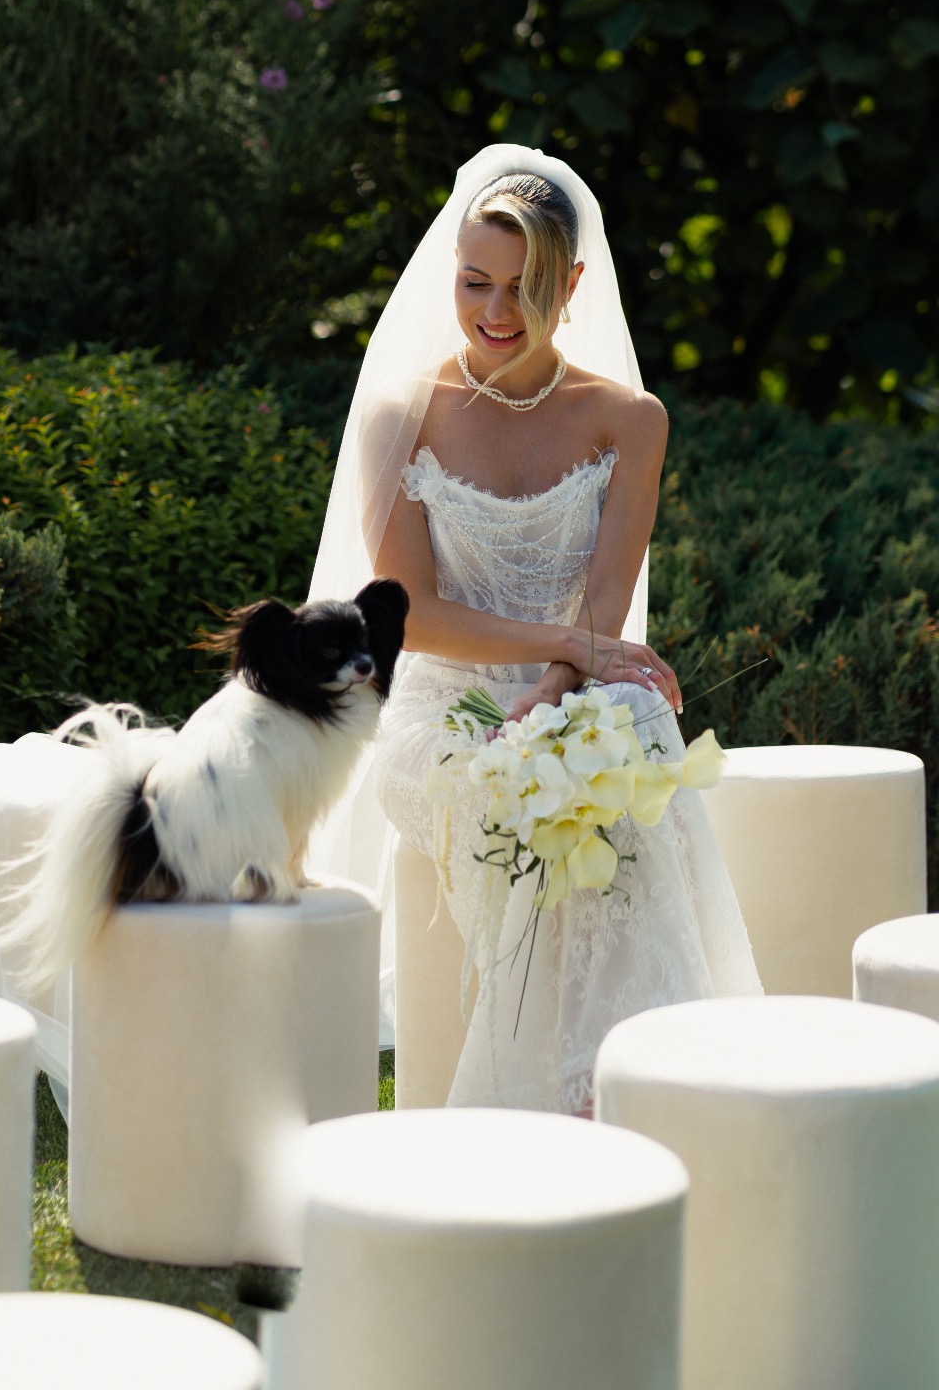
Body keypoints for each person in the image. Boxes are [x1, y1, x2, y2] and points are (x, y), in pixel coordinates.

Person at [308, 144, 760, 1112]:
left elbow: (605, 601)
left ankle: (635, 1085)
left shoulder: (629, 420)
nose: (496, 311)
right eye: (476, 281)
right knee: (523, 793)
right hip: (440, 709)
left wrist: (560, 688)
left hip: (572, 688)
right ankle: (573, 1098)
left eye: (526, 286)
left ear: (573, 285)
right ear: (452, 273)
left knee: (631, 738)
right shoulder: (400, 416)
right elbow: (410, 614)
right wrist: (560, 651)